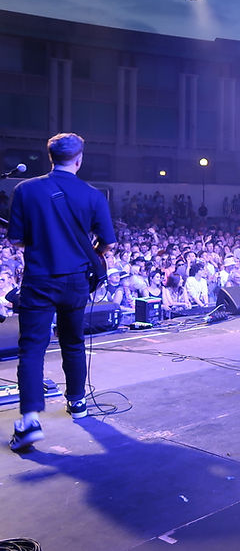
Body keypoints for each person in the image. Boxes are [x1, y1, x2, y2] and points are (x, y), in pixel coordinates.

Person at [7, 132, 116, 452]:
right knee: (73, 341)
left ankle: (29, 421)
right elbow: (108, 243)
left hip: (39, 279)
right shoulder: (93, 195)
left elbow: (16, 240)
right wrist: (89, 249)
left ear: (49, 157)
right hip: (75, 282)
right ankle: (78, 402)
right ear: (79, 159)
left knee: (31, 349)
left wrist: (44, 240)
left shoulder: (25, 190)